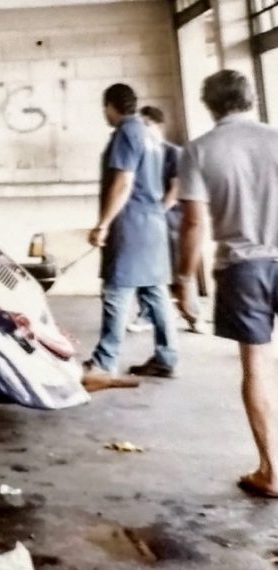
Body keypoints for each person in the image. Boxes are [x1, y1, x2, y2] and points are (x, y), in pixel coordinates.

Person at [177, 70, 278, 498]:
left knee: (255, 366)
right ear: (251, 98)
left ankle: (272, 471)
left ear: (209, 105)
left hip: (243, 267)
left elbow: (194, 223)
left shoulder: (199, 151)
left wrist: (185, 279)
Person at [82, 83, 177, 388]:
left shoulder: (125, 133)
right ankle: (166, 357)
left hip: (131, 225)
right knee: (155, 293)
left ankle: (104, 362)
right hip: (153, 223)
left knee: (116, 291)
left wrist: (103, 223)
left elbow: (124, 182)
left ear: (110, 106)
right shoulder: (149, 133)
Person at [128, 106, 202, 334]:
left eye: (146, 124)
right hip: (147, 222)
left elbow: (175, 189)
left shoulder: (173, 153)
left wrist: (158, 211)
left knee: (181, 272)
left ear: (159, 126)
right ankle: (147, 314)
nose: (143, 129)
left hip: (170, 222)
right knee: (147, 270)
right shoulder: (142, 153)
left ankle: (192, 315)